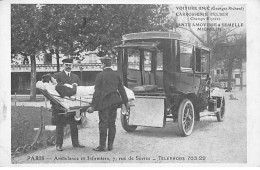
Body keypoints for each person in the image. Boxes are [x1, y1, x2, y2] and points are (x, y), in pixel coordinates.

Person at [87, 54, 130, 152]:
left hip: (104, 103)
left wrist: (93, 106)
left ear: (103, 64)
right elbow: (122, 89)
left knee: (103, 124)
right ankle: (110, 146)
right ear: (110, 64)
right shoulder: (116, 75)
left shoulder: (100, 75)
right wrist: (126, 101)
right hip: (114, 102)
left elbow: (97, 92)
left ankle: (102, 146)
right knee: (112, 124)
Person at [51, 58, 84, 151]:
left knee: (74, 124)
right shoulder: (57, 76)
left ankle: (75, 143)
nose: (68, 66)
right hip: (61, 105)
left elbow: (80, 90)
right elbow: (54, 90)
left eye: (70, 65)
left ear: (72, 65)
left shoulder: (75, 77)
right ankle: (59, 144)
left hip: (74, 104)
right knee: (60, 125)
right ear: (63, 65)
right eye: (66, 65)